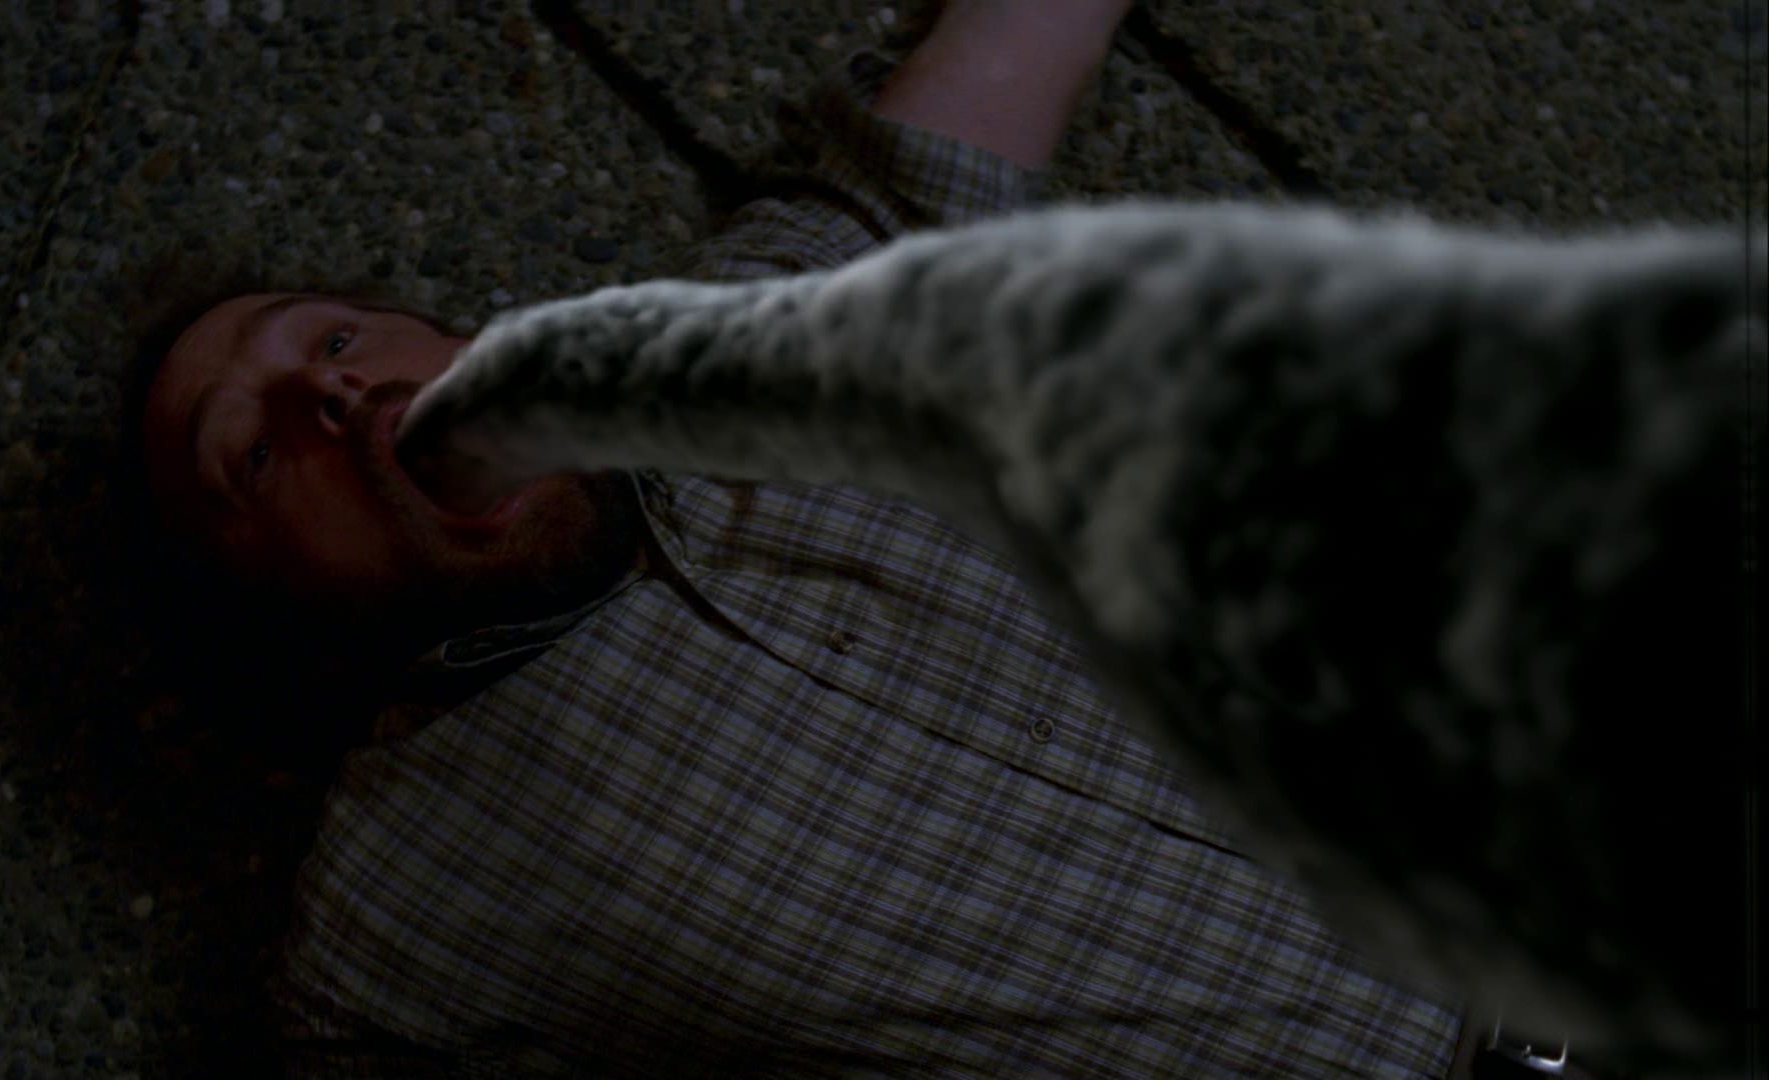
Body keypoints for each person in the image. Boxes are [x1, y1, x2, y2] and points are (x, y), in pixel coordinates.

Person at [120, 2, 1480, 1074]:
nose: (328, 394)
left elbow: (992, 69)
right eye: (252, 455)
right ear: (263, 595)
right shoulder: (393, 938)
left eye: (335, 339)